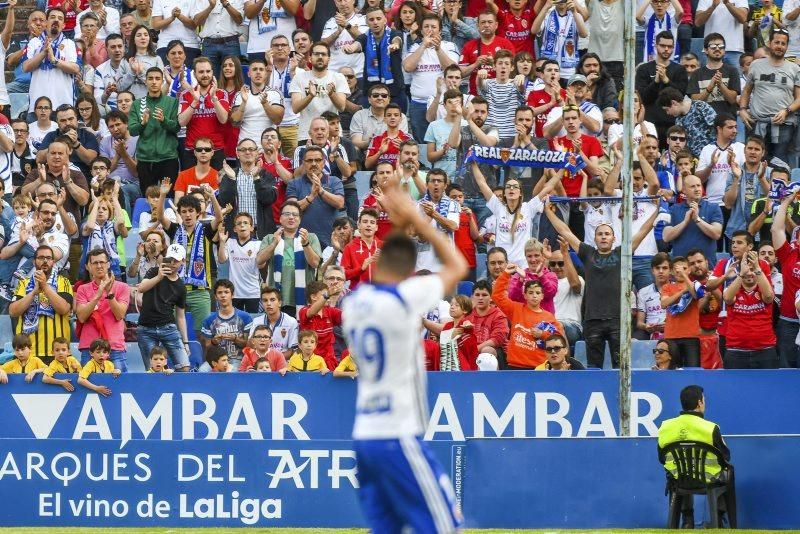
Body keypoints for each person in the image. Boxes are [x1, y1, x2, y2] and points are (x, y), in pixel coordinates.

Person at [342, 171, 466, 533]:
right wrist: (417, 222)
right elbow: (457, 266)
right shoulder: (405, 299)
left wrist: (397, 228)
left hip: (364, 437)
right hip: (397, 435)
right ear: (411, 271)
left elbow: (392, 261)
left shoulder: (355, 303)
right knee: (446, 526)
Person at [545, 197, 660, 368]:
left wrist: (656, 211)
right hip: (593, 319)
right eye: (600, 234)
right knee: (594, 367)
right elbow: (565, 231)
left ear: (614, 238)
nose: (604, 237)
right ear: (595, 238)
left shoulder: (622, 253)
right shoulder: (588, 253)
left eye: (607, 234)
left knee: (620, 367)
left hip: (618, 319)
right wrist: (548, 211)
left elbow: (643, 230)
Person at [658, 385, 736, 529]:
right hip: (708, 480)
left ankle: (687, 520)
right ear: (700, 403)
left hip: (678, 480)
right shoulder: (711, 428)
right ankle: (718, 518)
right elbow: (726, 457)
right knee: (728, 470)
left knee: (684, 472)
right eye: (704, 400)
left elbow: (662, 458)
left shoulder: (665, 427)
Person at [157, 177, 223, 338]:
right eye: (184, 211)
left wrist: (212, 196)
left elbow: (219, 218)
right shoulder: (174, 230)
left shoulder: (206, 229)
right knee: (173, 333)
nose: (187, 215)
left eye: (191, 211)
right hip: (175, 288)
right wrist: (163, 195)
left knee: (205, 335)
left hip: (200, 291)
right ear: (179, 213)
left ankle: (206, 363)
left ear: (198, 212)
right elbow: (160, 217)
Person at [739, 28, 800, 161]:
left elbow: (799, 98)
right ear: (769, 43)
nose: (779, 46)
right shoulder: (755, 65)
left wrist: (786, 111)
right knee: (756, 162)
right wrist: (742, 109)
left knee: (780, 162)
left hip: (784, 123)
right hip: (757, 122)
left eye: (783, 44)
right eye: (776, 42)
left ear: (787, 46)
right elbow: (747, 91)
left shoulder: (794, 69)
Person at [8, 245, 72, 362]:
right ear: (34, 261)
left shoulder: (63, 281)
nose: (45, 261)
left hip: (57, 353)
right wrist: (33, 293)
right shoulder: (24, 283)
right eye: (41, 258)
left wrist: (45, 287)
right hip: (27, 353)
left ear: (53, 262)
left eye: (48, 258)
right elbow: (13, 311)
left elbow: (63, 309)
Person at [256, 200, 322, 314]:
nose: (291, 217)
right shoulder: (270, 237)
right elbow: (259, 261)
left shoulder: (310, 237)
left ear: (300, 219)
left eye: (295, 215)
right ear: (280, 218)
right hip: (276, 298)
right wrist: (273, 244)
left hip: (303, 297)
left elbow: (315, 263)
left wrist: (305, 244)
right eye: (287, 214)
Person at [402, 13, 459, 142]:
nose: (430, 30)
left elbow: (452, 70)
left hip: (443, 104)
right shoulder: (415, 48)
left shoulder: (449, 46)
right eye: (426, 27)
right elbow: (408, 67)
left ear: (440, 30)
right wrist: (423, 46)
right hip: (418, 103)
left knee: (444, 141)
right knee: (422, 143)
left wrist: (438, 49)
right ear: (421, 31)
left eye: (433, 27)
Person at [136, 242, 191, 371]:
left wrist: (186, 342)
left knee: (185, 367)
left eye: (176, 260)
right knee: (152, 370)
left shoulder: (181, 286)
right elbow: (142, 288)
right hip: (146, 328)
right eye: (169, 259)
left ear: (182, 261)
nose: (172, 263)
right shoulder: (154, 271)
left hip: (168, 328)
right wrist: (159, 277)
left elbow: (180, 316)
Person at [74, 248, 130, 370]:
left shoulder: (123, 287)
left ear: (108, 264)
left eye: (102, 262)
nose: (99, 266)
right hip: (89, 348)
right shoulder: (82, 289)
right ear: (88, 266)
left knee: (118, 387)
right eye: (94, 263)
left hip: (114, 347)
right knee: (87, 387)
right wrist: (98, 294)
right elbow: (82, 317)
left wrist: (109, 293)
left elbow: (119, 314)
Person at [128, 67, 180, 194]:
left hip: (168, 158)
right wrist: (143, 123)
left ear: (162, 81)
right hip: (146, 159)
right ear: (145, 81)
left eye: (157, 78)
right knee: (147, 197)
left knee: (168, 197)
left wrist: (164, 121)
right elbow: (132, 131)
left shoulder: (172, 102)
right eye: (150, 78)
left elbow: (177, 127)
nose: (154, 82)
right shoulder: (138, 104)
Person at [722, 249, 777, 368]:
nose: (749, 273)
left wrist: (757, 268)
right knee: (735, 387)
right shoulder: (733, 288)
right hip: (736, 351)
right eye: (747, 269)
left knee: (767, 386)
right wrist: (741, 273)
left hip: (765, 350)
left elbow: (768, 297)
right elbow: (727, 298)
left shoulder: (764, 288)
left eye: (752, 270)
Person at [289, 42, 349, 144]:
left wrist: (332, 94)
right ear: (310, 58)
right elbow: (295, 108)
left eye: (324, 54)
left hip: (332, 135)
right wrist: (310, 96)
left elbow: (342, 107)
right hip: (307, 134)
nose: (320, 57)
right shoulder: (299, 78)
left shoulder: (338, 77)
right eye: (316, 54)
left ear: (329, 59)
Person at [217, 139, 277, 240]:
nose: (247, 152)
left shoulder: (266, 175)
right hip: (235, 234)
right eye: (243, 150)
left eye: (251, 149)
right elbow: (224, 202)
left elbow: (269, 199)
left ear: (257, 153)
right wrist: (231, 180)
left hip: (261, 233)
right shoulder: (229, 175)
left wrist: (257, 178)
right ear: (237, 153)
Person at [635, 31, 688, 144]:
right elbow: (642, 98)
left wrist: (666, 80)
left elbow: (680, 96)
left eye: (669, 46)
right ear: (656, 46)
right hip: (650, 124)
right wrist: (656, 81)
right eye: (663, 46)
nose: (666, 49)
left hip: (673, 125)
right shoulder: (644, 69)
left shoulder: (680, 70)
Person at [286, 146, 345, 249]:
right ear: (303, 163)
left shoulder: (334, 181)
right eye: (309, 160)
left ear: (324, 162)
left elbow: (340, 203)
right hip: (303, 242)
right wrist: (311, 196)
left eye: (317, 160)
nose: (314, 163)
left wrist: (321, 191)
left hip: (330, 242)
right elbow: (291, 210)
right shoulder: (294, 184)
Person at [23, 8, 80, 113]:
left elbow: (75, 68)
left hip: (63, 106)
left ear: (63, 25)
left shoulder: (69, 43)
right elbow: (26, 67)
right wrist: (44, 53)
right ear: (45, 22)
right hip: (37, 105)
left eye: (60, 18)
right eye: (52, 17)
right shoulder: (34, 42)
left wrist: (54, 60)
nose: (56, 20)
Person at [179, 57, 231, 169]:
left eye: (208, 71)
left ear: (212, 72)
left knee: (218, 185)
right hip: (192, 150)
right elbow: (182, 122)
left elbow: (223, 119)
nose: (205, 75)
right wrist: (195, 101)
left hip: (216, 149)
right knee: (191, 186)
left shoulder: (221, 93)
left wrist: (214, 98)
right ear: (195, 74)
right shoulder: (186, 94)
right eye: (201, 72)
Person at [663, 175, 724, 265]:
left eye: (698, 185)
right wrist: (685, 222)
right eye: (692, 186)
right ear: (684, 190)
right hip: (681, 268)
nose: (697, 189)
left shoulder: (713, 208)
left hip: (707, 268)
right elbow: (666, 237)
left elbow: (716, 234)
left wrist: (697, 219)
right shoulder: (673, 209)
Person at [230, 58, 284, 145]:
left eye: (261, 69)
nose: (258, 72)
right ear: (249, 74)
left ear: (266, 74)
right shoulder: (240, 94)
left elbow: (277, 120)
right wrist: (244, 103)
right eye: (254, 69)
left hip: (268, 146)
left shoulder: (275, 94)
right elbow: (234, 123)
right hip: (246, 147)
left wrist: (265, 104)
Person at [687, 33, 741, 118]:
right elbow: (695, 103)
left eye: (721, 46)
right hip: (703, 122)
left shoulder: (732, 71)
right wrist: (709, 88)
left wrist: (720, 85)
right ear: (705, 50)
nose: (717, 48)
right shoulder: (696, 74)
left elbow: (733, 100)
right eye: (713, 46)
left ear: (724, 50)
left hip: (726, 122)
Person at [217, 212, 261, 313]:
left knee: (252, 322)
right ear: (234, 229)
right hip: (234, 293)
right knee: (236, 323)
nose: (242, 225)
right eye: (239, 223)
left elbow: (261, 263)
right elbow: (222, 260)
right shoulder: (230, 242)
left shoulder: (258, 244)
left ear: (251, 228)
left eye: (246, 223)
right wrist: (222, 242)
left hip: (252, 292)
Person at [192, 0, 244, 78]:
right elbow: (196, 21)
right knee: (208, 78)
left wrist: (226, 4)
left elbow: (239, 20)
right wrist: (210, 7)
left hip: (230, 43)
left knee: (233, 78)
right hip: (209, 44)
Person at [249, 286, 299, 358]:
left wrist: (273, 359)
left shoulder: (291, 322)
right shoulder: (257, 321)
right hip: (261, 363)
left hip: (283, 362)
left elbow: (292, 351)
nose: (268, 304)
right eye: (265, 300)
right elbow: (250, 347)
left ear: (280, 303)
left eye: (272, 300)